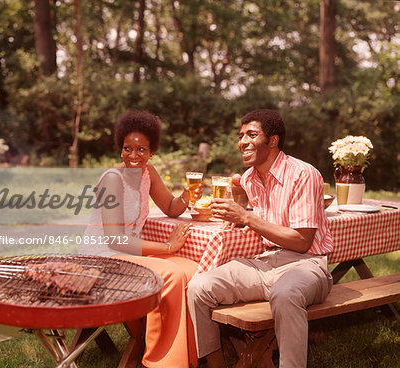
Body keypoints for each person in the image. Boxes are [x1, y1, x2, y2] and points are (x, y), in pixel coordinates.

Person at [186, 109, 333, 368]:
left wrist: (246, 218)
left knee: (285, 293)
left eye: (251, 134)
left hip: (307, 264)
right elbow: (252, 212)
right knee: (198, 287)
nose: (242, 141)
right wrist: (237, 212)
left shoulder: (303, 174)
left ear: (273, 141)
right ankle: (215, 363)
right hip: (265, 262)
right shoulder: (249, 178)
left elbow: (302, 241)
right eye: (241, 136)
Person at [81, 110, 200, 368]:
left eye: (141, 150)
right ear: (120, 148)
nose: (134, 156)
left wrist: (186, 197)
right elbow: (115, 240)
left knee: (192, 269)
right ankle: (159, 361)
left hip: (130, 255)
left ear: (152, 152)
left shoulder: (148, 173)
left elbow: (170, 206)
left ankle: (187, 355)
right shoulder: (112, 180)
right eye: (127, 148)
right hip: (104, 259)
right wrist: (168, 246)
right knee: (170, 274)